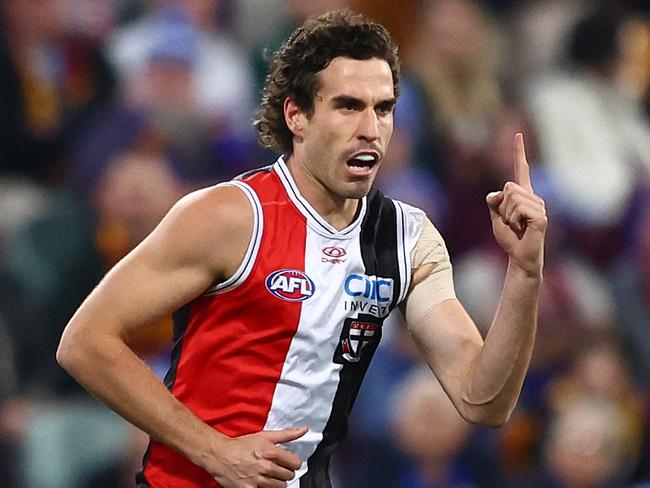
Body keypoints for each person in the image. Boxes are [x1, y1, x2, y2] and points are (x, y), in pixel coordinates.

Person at [57, 9, 547, 488]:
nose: (370, 129)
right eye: (348, 106)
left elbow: (483, 402)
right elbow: (85, 342)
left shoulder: (408, 239)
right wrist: (214, 451)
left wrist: (524, 273)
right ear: (297, 115)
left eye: (383, 108)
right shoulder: (229, 216)